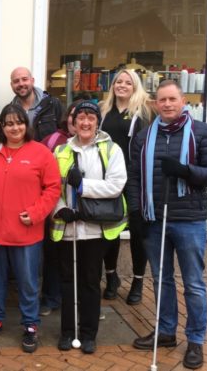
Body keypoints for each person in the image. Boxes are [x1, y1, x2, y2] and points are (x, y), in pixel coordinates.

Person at [128, 80, 207, 370]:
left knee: (193, 284)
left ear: (183, 101)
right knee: (162, 281)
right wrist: (136, 213)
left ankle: (195, 340)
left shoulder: (202, 132)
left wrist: (185, 171)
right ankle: (166, 331)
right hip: (154, 219)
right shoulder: (145, 136)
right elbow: (134, 177)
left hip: (189, 220)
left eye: (172, 99)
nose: (167, 104)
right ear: (155, 104)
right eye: (162, 100)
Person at [0, 104, 61, 353]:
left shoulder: (41, 153)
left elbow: (53, 188)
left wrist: (36, 213)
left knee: (28, 283)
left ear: (25, 125)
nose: (14, 128)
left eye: (18, 122)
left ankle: (30, 325)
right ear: (2, 127)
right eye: (8, 124)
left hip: (26, 233)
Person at [51, 101, 127, 354]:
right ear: (73, 122)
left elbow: (116, 185)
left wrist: (83, 187)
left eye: (90, 118)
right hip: (69, 228)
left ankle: (88, 333)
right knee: (67, 282)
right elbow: (52, 187)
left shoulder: (111, 149)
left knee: (91, 282)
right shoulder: (60, 151)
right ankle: (67, 331)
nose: (85, 123)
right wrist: (59, 208)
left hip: (96, 229)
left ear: (97, 122)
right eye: (80, 118)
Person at [99, 70, 155, 304]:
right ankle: (111, 277)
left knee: (138, 234)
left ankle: (138, 281)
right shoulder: (103, 111)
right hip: (109, 179)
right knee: (109, 231)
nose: (122, 86)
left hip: (135, 180)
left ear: (135, 86)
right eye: (118, 82)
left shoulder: (144, 112)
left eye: (127, 82)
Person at [38, 100, 82, 317]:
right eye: (75, 115)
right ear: (68, 117)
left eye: (84, 115)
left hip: (85, 213)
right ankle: (50, 298)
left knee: (83, 262)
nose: (79, 120)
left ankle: (79, 302)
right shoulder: (54, 140)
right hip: (55, 209)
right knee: (53, 257)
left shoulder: (99, 142)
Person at [10, 66, 64, 141]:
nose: (21, 84)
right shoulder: (10, 111)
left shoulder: (52, 104)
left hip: (48, 152)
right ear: (11, 85)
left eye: (24, 79)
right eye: (16, 81)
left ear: (32, 81)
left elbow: (64, 133)